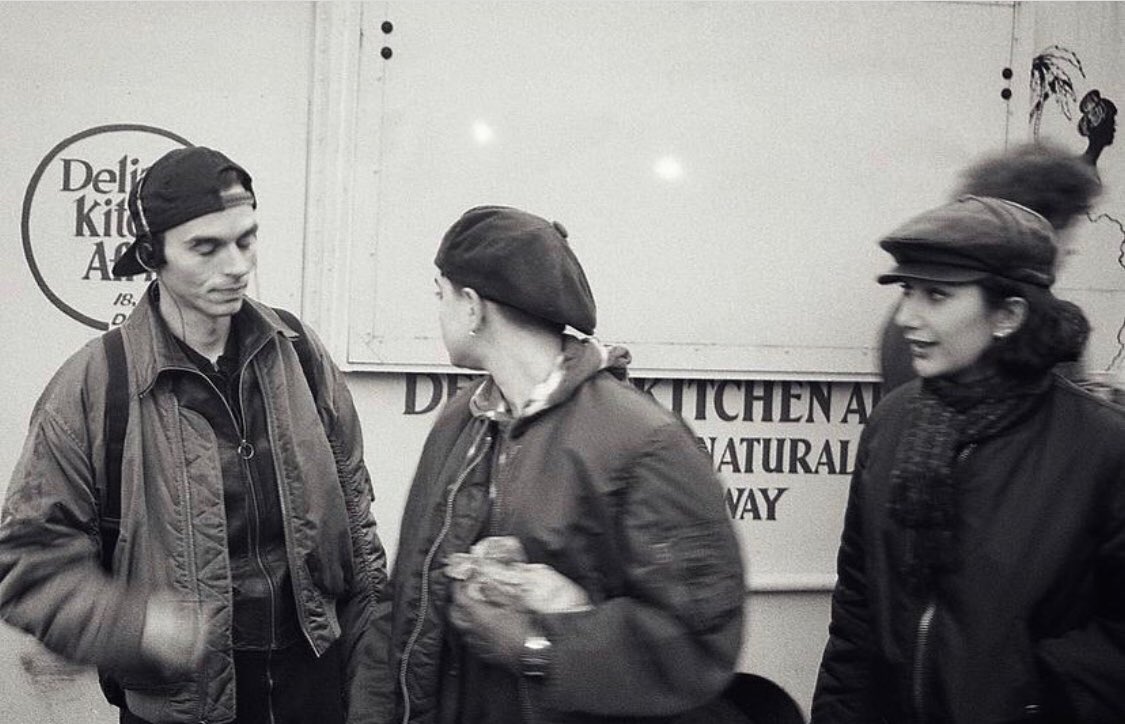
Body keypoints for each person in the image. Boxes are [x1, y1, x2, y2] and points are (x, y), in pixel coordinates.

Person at [0, 146, 388, 724]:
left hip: (316, 688)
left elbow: (357, 526)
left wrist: (372, 665)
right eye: (205, 247)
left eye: (245, 240)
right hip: (185, 703)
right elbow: (27, 562)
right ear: (153, 254)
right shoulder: (96, 383)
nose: (236, 265)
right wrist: (135, 626)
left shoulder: (301, 355)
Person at [377, 205, 745, 723]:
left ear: (474, 308)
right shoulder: (461, 419)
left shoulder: (646, 441)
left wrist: (536, 644)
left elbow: (698, 640)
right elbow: (406, 600)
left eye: (441, 296)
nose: (438, 313)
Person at [812, 196, 1125, 723]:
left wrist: (1036, 696)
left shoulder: (1103, 448)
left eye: (936, 295)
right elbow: (857, 613)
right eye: (908, 291)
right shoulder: (892, 424)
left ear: (1008, 314)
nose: (907, 317)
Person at [879, 142, 1102, 393]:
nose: (1072, 249)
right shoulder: (1043, 325)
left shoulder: (911, 311)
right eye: (1066, 229)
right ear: (1033, 229)